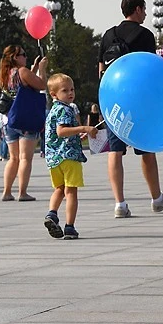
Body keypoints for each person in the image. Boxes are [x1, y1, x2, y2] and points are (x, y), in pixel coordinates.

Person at [98, 0, 163, 218]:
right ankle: (156, 198)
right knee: (147, 148)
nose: (145, 13)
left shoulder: (108, 35)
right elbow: (150, 69)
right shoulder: (145, 35)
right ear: (136, 9)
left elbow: (101, 70)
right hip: (139, 99)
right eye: (143, 9)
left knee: (115, 150)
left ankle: (120, 204)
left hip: (113, 99)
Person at [42, 73, 98, 240]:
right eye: (65, 90)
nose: (70, 93)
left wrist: (77, 135)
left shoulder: (53, 110)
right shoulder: (66, 109)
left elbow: (59, 132)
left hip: (53, 158)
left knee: (59, 189)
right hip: (69, 157)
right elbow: (62, 131)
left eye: (72, 89)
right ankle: (70, 227)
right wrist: (84, 128)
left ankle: (52, 214)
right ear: (54, 94)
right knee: (71, 191)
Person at [0, 46, 48, 201]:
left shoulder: (6, 74)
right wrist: (42, 69)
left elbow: (23, 87)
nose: (25, 58)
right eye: (23, 55)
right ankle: (22, 192)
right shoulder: (22, 71)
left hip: (10, 120)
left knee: (13, 158)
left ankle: (6, 192)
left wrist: (32, 68)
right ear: (15, 57)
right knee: (25, 158)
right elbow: (41, 85)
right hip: (26, 119)